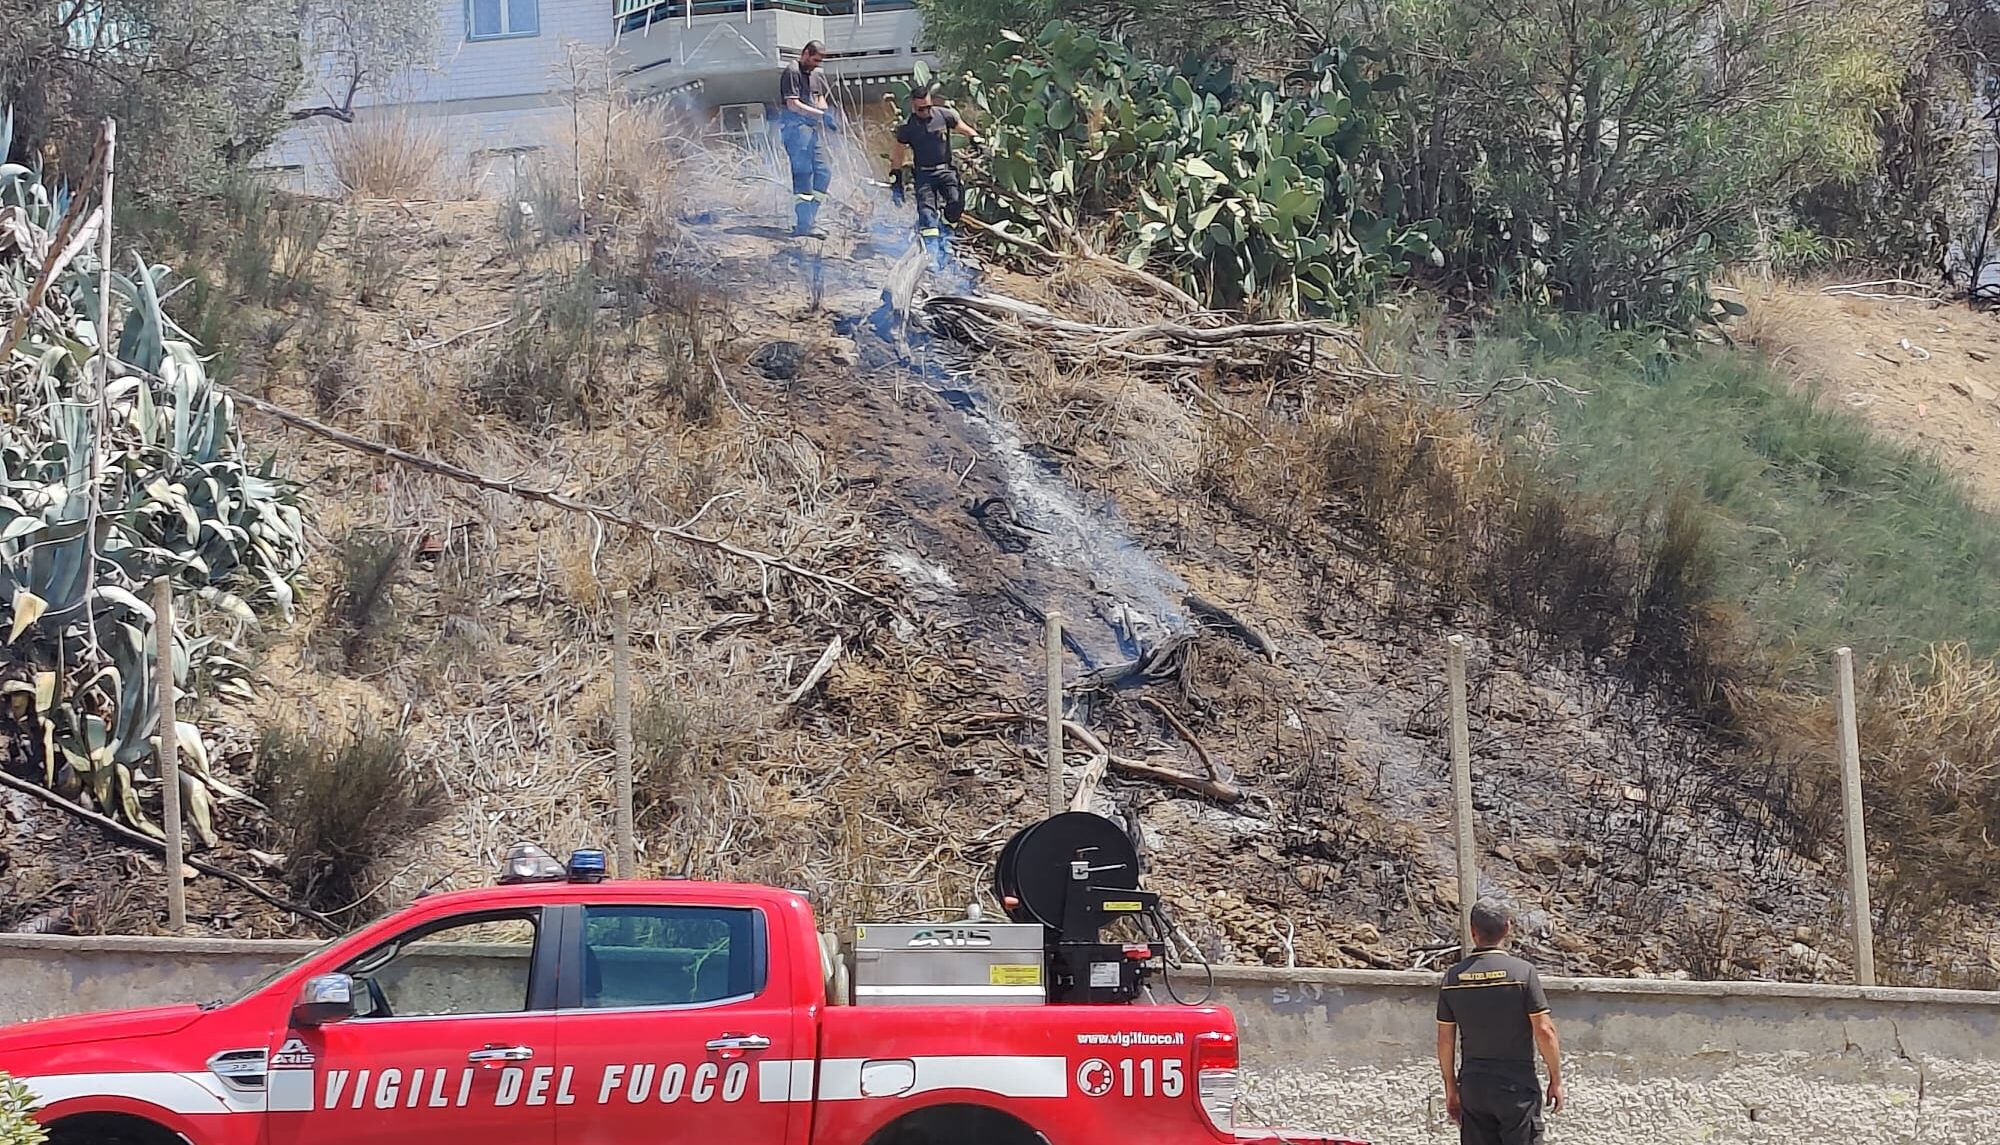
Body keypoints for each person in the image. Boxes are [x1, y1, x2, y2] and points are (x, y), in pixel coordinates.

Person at [1436, 901, 1564, 1145]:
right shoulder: (1523, 973)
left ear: (1473, 931)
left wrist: (1452, 1090)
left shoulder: (1452, 978)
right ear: (1507, 928)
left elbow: (1444, 1040)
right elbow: (1545, 1030)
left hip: (1474, 1087)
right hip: (1516, 1088)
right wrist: (1555, 1079)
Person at [889, 82, 981, 265]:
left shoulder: (944, 115)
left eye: (928, 107)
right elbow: (898, 154)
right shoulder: (907, 127)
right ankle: (930, 255)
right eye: (921, 109)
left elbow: (964, 128)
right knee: (926, 213)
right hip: (924, 175)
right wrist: (895, 178)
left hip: (946, 170)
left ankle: (946, 232)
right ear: (913, 106)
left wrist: (977, 139)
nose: (926, 112)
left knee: (956, 203)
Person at [779, 41, 838, 239]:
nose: (816, 64)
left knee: (824, 172)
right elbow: (793, 104)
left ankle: (810, 217)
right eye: (814, 60)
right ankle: (804, 224)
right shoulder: (792, 71)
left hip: (812, 129)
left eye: (820, 61)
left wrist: (826, 112)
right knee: (804, 174)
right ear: (805, 53)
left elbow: (819, 98)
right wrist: (820, 116)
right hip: (795, 129)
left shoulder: (816, 74)